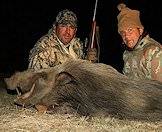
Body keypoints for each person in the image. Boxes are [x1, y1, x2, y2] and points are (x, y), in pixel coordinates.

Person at [28, 9, 97, 70]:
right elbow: (35, 81)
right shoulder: (43, 50)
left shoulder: (78, 45)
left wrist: (88, 61)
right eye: (63, 26)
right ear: (55, 27)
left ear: (75, 31)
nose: (67, 32)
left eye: (71, 27)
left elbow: (82, 71)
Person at [117, 3, 162, 82]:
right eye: (122, 33)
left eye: (130, 30)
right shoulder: (127, 53)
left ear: (140, 30)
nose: (126, 36)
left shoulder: (153, 52)